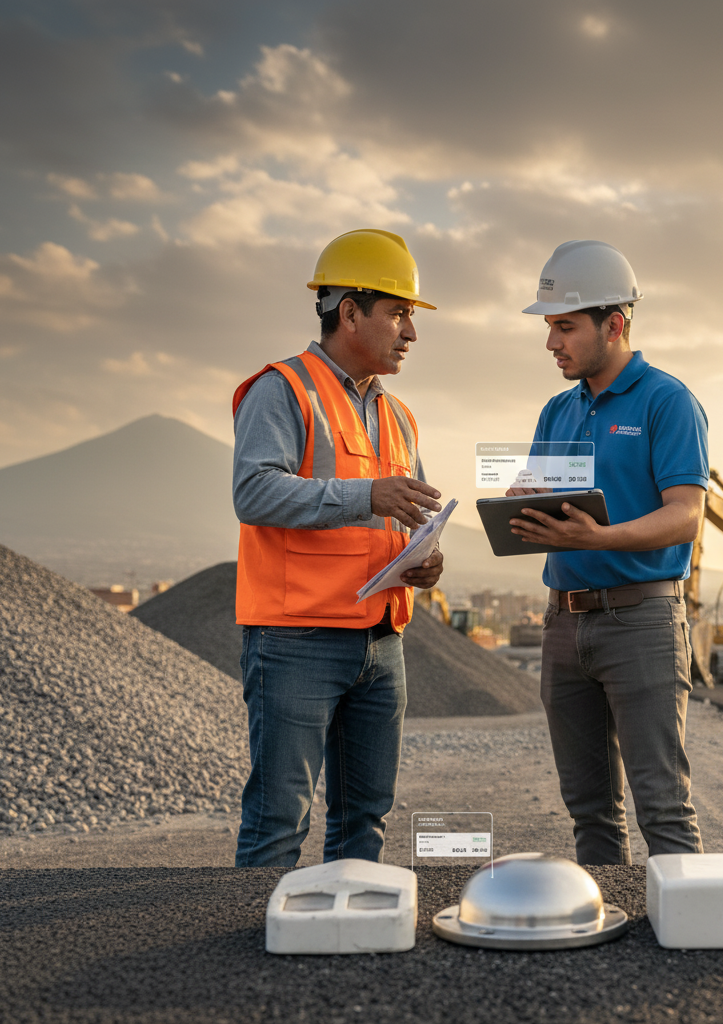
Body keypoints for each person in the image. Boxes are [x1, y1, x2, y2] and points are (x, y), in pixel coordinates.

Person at [231, 228, 444, 867]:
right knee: (278, 821)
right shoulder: (282, 390)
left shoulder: (400, 415)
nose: (411, 332)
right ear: (348, 311)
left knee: (365, 820)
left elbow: (397, 516)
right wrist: (366, 497)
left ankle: (351, 950)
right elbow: (254, 493)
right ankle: (256, 959)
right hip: (296, 640)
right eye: (399, 313)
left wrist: (424, 560)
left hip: (381, 641)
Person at [507, 239, 707, 865]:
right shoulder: (557, 411)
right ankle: (609, 952)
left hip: (641, 622)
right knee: (589, 809)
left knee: (663, 806)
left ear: (613, 324)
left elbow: (686, 515)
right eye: (549, 327)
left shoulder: (666, 402)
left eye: (564, 326)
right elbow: (545, 498)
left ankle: (692, 944)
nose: (551, 343)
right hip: (563, 624)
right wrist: (522, 503)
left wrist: (598, 539)